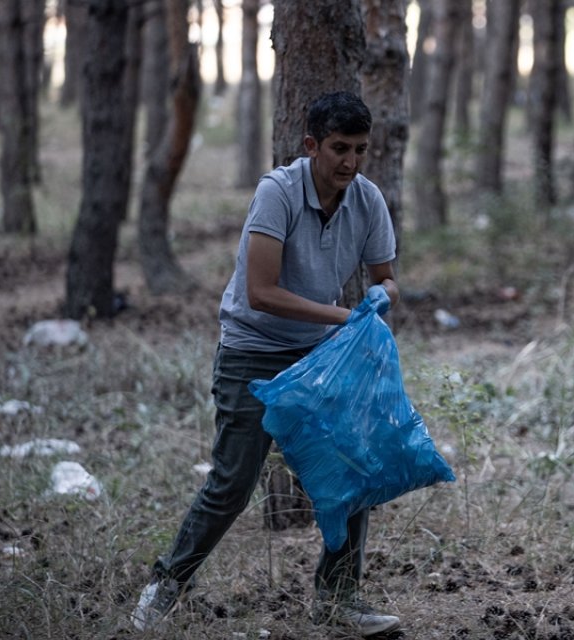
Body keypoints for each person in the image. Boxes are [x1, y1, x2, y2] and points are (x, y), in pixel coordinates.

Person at [131, 91, 402, 637]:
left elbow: (386, 275)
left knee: (351, 471)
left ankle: (337, 600)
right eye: (339, 149)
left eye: (360, 150)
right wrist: (344, 315)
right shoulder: (276, 193)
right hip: (252, 350)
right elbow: (260, 292)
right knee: (233, 482)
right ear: (311, 145)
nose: (350, 162)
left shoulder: (367, 198)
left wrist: (383, 299)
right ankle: (165, 585)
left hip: (321, 355)